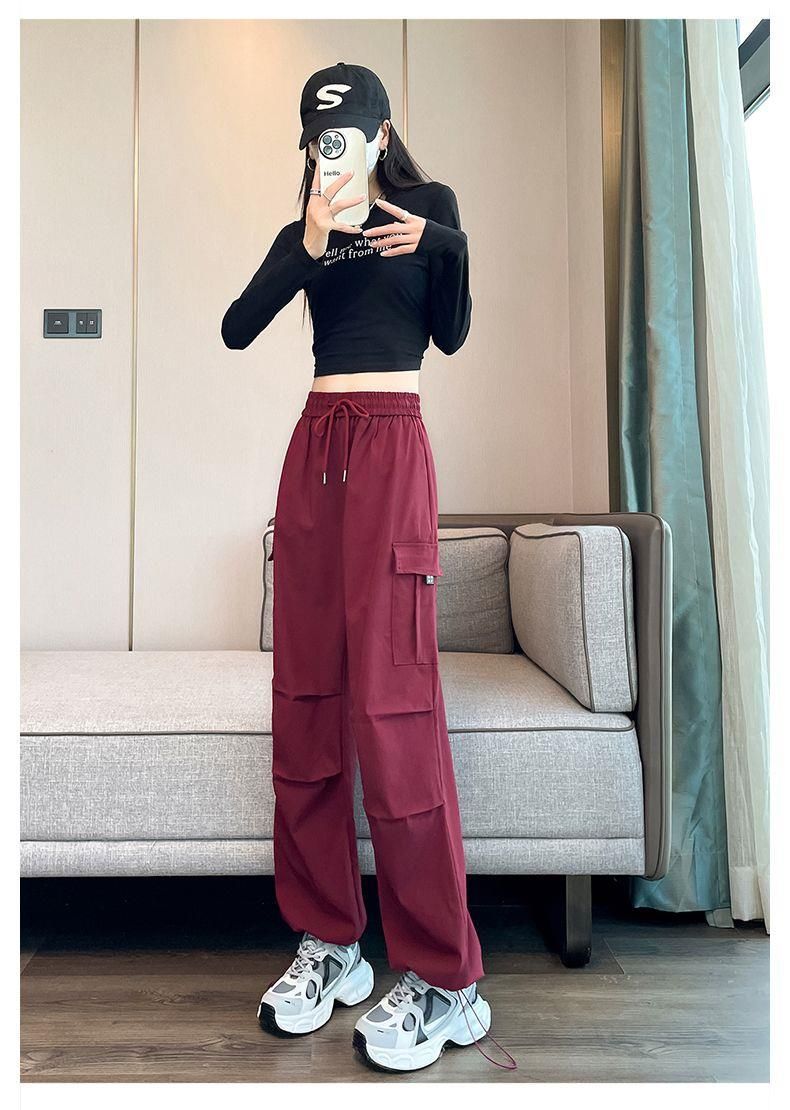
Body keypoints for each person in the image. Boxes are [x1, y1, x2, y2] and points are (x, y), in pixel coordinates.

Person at [222, 61, 515, 1075]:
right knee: (306, 701)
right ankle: (332, 943)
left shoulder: (430, 209)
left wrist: (443, 244)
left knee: (394, 713)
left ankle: (446, 977)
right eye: (317, 135)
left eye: (345, 130)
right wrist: (305, 244)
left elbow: (451, 332)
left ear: (381, 133)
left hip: (392, 445)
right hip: (315, 449)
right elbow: (236, 328)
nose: (331, 146)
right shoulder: (305, 231)